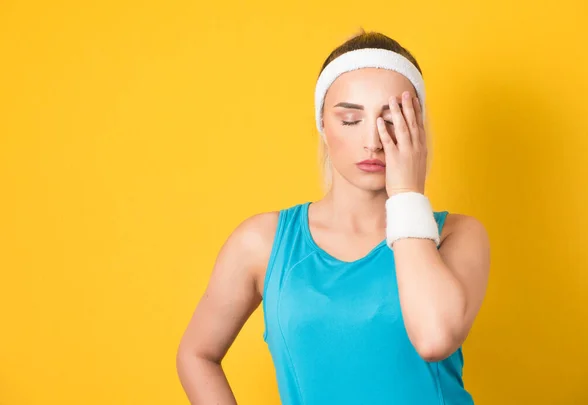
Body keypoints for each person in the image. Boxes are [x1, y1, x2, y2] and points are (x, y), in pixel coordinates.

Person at [176, 29, 491, 405]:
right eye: (350, 119)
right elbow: (196, 354)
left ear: (417, 129)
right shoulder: (261, 242)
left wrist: (407, 196)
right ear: (323, 125)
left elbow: (435, 338)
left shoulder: (458, 236)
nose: (373, 140)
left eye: (393, 119)